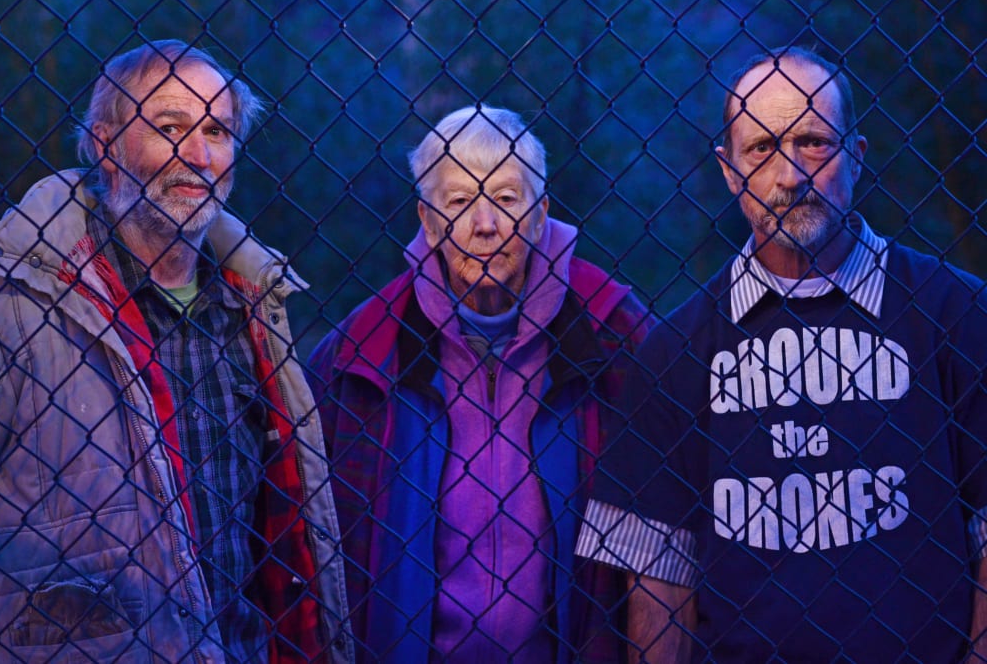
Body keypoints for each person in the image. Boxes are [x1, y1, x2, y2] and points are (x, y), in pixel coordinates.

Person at [575, 45, 987, 663]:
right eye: (762, 149)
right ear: (728, 170)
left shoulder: (956, 313)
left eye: (815, 143)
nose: (789, 174)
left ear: (856, 155)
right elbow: (659, 574)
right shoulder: (677, 349)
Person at [0, 40, 352, 663]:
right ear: (105, 145)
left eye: (217, 129)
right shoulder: (12, 305)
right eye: (169, 126)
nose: (199, 155)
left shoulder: (253, 306)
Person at [307, 105, 652, 662]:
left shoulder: (614, 330)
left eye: (507, 199)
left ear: (541, 215)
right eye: (460, 201)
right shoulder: (363, 349)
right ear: (427, 218)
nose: (485, 225)